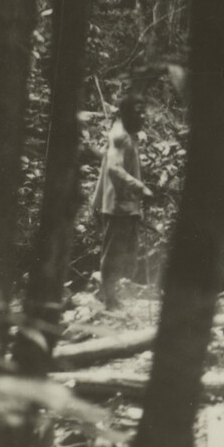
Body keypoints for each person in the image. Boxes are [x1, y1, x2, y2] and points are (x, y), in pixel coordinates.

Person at [91, 98, 156, 312]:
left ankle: (106, 292)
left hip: (125, 204)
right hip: (119, 205)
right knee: (114, 253)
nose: (144, 116)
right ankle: (110, 300)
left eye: (144, 112)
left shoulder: (126, 133)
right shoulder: (120, 135)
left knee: (125, 253)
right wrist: (140, 188)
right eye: (139, 111)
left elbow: (107, 167)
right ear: (126, 113)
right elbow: (114, 169)